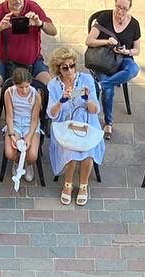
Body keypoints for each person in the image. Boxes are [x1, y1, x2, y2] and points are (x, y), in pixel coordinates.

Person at [45, 47, 103, 206]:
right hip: (64, 124)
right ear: (58, 69)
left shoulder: (86, 80)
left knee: (88, 150)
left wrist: (86, 99)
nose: (70, 70)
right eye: (65, 67)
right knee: (70, 150)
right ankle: (68, 184)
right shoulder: (54, 85)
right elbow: (51, 114)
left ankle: (83, 186)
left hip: (86, 121)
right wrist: (61, 101)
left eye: (72, 66)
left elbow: (95, 110)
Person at [85, 0, 141, 138]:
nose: (120, 11)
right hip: (103, 59)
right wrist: (106, 41)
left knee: (133, 68)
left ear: (129, 8)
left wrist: (126, 52)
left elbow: (137, 50)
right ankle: (108, 122)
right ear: (114, 4)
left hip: (122, 58)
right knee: (109, 90)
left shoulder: (134, 24)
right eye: (118, 7)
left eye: (124, 8)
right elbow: (89, 40)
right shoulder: (104, 17)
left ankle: (99, 85)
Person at [0, 0, 57, 90]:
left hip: (33, 61)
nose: (17, 1)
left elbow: (53, 31)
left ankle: (45, 104)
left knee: (48, 85)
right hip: (3, 61)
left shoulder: (32, 7)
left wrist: (40, 23)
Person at [1, 67, 42, 190]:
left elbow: (35, 119)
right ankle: (17, 161)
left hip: (30, 124)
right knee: (9, 152)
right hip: (15, 123)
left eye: (27, 86)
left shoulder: (36, 95)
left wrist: (29, 137)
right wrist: (12, 134)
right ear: (15, 85)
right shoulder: (9, 93)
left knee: (33, 155)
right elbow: (9, 115)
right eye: (21, 87)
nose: (24, 90)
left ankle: (28, 164)